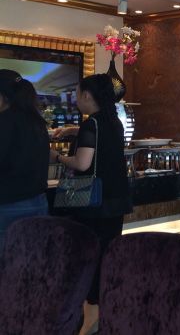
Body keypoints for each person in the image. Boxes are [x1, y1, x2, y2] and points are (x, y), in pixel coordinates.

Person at [53, 74, 131, 332]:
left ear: (87, 96)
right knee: (109, 254)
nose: (76, 99)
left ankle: (89, 317)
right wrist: (74, 130)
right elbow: (101, 138)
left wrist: (57, 157)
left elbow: (82, 163)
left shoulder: (91, 124)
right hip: (117, 199)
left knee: (89, 257)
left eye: (77, 94)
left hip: (94, 202)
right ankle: (106, 314)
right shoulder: (114, 122)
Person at [0, 70, 50, 251]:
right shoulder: (37, 122)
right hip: (39, 202)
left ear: (3, 96)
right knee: (32, 260)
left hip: (8, 205)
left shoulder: (4, 121)